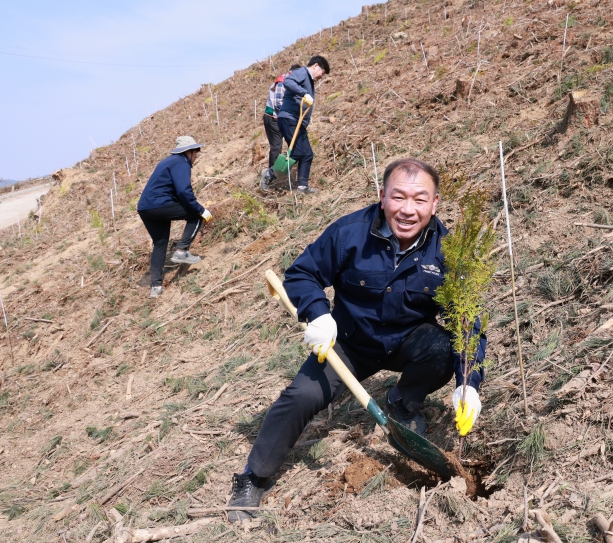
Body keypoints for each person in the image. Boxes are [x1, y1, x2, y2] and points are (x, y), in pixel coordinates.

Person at [226, 159, 487, 522]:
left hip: (408, 342)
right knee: (300, 396)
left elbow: (466, 321)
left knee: (442, 349)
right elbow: (302, 273)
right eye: (398, 197)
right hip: (347, 344)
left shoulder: (447, 251)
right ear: (382, 197)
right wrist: (318, 313)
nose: (408, 210)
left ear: (435, 203)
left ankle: (402, 404)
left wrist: (468, 383)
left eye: (419, 199)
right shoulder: (350, 232)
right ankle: (253, 476)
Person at [137, 136, 213, 298]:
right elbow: (183, 192)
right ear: (189, 152)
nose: (197, 156)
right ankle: (181, 251)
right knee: (196, 215)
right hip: (159, 205)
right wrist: (201, 209)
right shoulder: (181, 162)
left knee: (160, 243)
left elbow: (173, 191)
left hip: (145, 208)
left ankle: (156, 287)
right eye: (196, 152)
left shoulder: (167, 162)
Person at [275, 55, 330, 195]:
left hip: (298, 122)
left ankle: (302, 187)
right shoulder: (302, 73)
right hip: (289, 119)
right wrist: (304, 92)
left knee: (308, 154)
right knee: (299, 152)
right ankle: (270, 174)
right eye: (322, 72)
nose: (321, 76)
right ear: (316, 66)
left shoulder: (309, 80)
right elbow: (288, 82)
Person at [259, 64, 301, 192]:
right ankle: (269, 176)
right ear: (290, 73)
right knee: (276, 146)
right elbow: (279, 104)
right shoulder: (282, 82)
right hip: (273, 118)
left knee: (293, 145)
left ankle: (282, 172)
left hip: (282, 118)